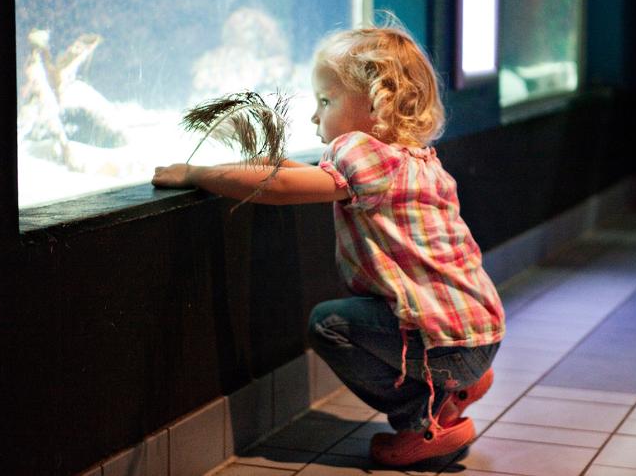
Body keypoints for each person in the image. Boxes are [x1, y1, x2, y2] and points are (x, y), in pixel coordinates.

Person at [152, 23, 505, 467]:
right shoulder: (416, 157)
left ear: (377, 103)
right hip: (480, 332)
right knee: (370, 325)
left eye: (325, 101)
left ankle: (423, 423)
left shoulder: (362, 150)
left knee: (330, 325)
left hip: (446, 345)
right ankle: (458, 384)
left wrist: (196, 174)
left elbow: (279, 185)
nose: (315, 117)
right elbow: (284, 168)